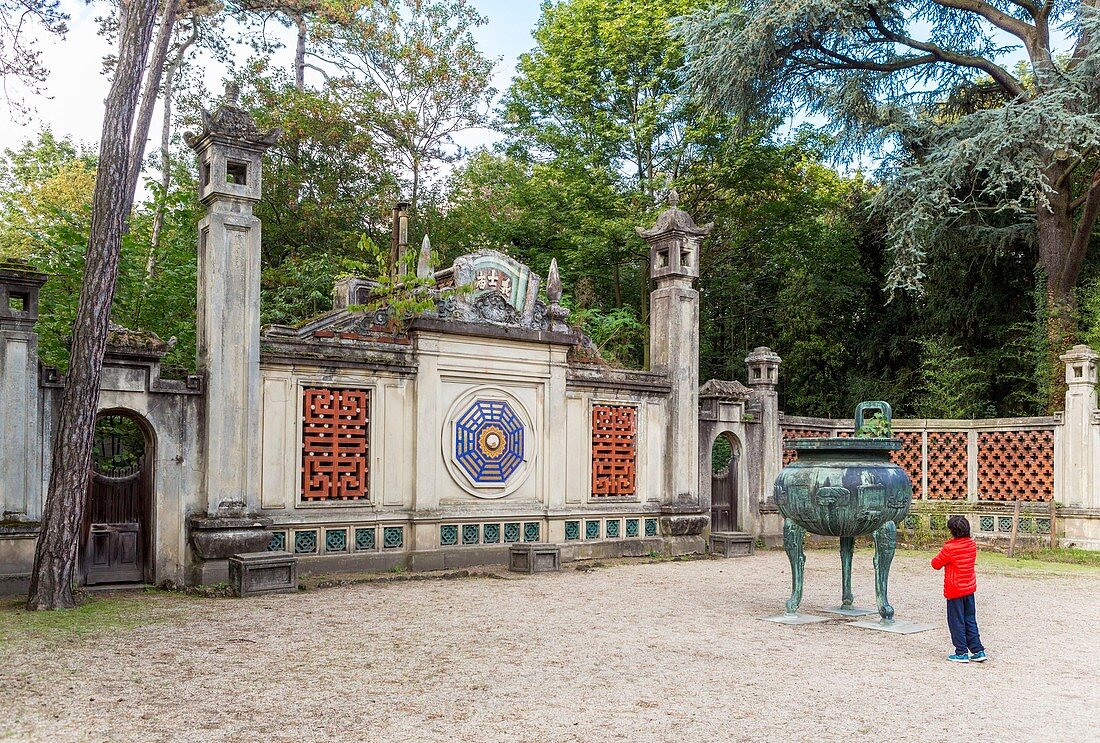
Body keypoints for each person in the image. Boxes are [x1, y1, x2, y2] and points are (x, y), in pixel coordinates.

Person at [931, 515, 987, 663]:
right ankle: (978, 650)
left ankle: (961, 652)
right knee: (970, 619)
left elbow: (935, 564)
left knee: (956, 621)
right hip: (968, 588)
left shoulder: (949, 548)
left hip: (954, 590)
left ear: (953, 531)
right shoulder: (972, 545)